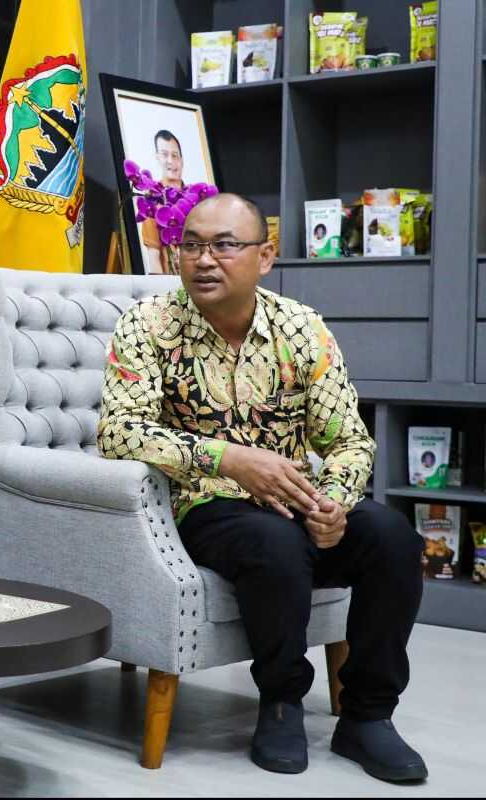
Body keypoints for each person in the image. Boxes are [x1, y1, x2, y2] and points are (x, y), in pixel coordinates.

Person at [98, 193, 427, 783]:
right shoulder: (148, 326)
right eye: (191, 245)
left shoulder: (301, 329)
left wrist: (335, 502)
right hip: (203, 506)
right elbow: (118, 433)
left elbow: (349, 440)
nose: (203, 260)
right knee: (273, 545)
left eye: (224, 245)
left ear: (265, 255)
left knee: (393, 538)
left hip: (295, 498)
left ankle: (368, 716)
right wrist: (228, 459)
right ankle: (280, 701)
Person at [140, 129, 184, 274]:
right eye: (165, 155)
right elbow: (154, 257)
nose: (170, 161)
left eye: (175, 155)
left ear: (182, 160)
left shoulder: (194, 200)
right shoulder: (152, 201)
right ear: (157, 157)